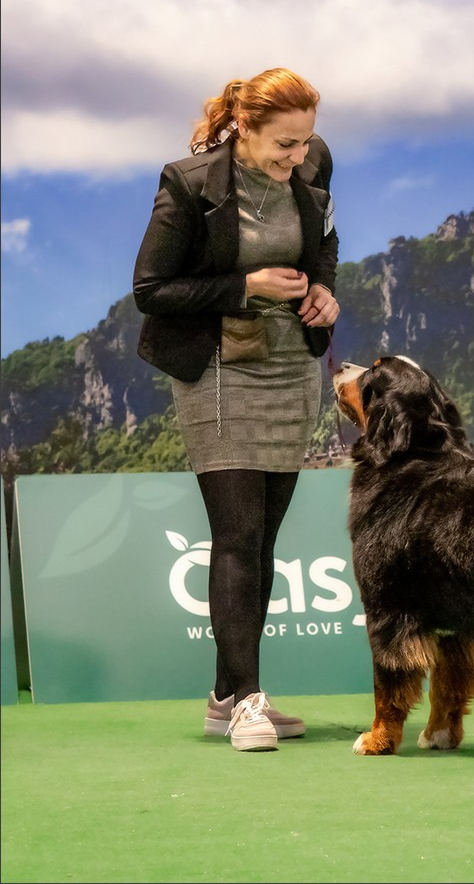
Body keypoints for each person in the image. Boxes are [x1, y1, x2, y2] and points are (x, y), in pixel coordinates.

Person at [133, 67, 340, 752]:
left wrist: (324, 293)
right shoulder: (190, 184)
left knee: (265, 542)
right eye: (284, 145)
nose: (298, 158)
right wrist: (243, 284)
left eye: (305, 143)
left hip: (289, 366)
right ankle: (249, 701)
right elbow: (153, 288)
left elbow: (326, 242)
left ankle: (228, 696)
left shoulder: (315, 166)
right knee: (237, 537)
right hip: (220, 370)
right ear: (244, 130)